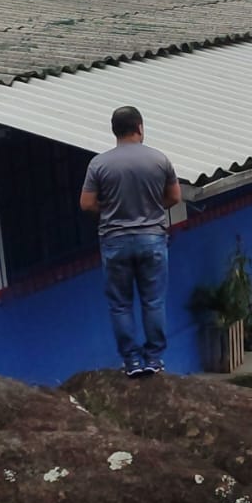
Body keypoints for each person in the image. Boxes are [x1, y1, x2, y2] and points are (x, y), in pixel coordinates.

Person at [80, 105, 181, 378]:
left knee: (121, 304)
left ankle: (132, 362)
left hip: (115, 240)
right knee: (153, 301)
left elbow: (86, 203)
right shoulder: (159, 159)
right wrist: (151, 207)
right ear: (139, 127)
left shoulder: (99, 164)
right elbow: (174, 197)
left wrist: (111, 209)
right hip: (152, 239)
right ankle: (154, 359)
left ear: (115, 131)